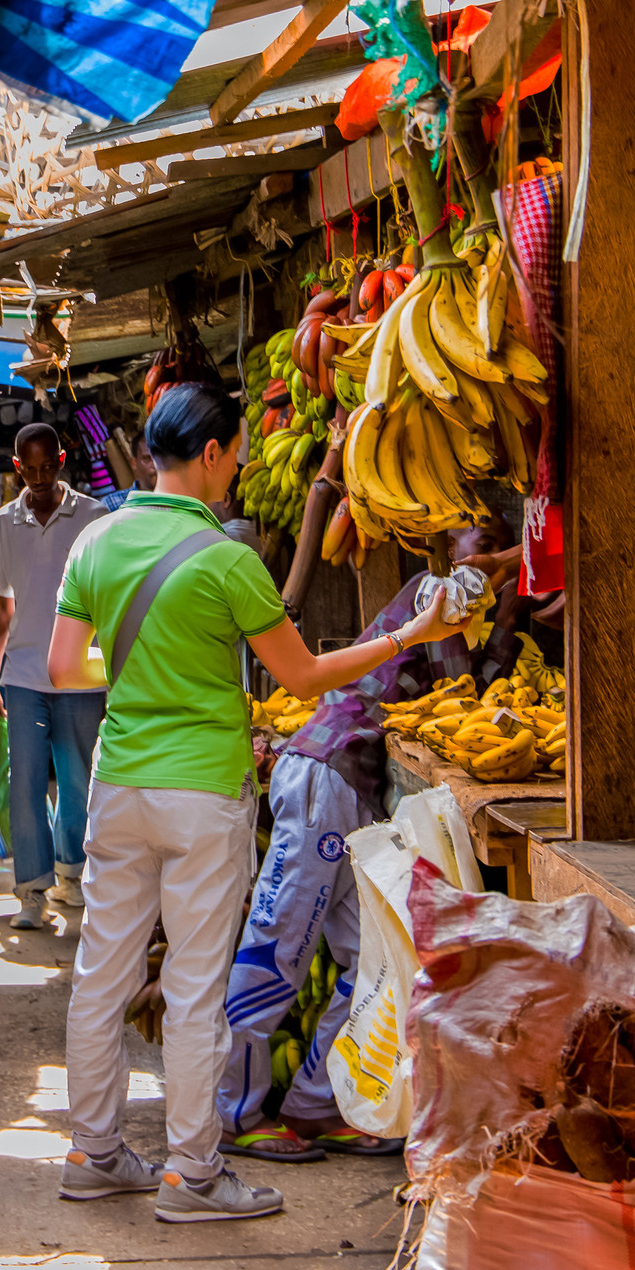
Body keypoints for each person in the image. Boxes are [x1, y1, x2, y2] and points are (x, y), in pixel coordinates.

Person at [43, 383, 467, 1224]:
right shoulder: (228, 561)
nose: (238, 468)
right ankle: (193, 1176)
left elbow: (64, 671)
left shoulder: (94, 542)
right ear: (208, 455)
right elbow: (303, 676)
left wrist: (140, 686)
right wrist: (405, 639)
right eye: (235, 453)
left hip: (118, 786)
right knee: (197, 987)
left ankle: (94, 1155)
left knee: (100, 975)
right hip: (202, 796)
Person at [216, 517, 508, 1165]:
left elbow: (475, 686)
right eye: (478, 545)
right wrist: (516, 566)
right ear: (448, 554)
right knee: (279, 946)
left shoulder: (445, 619)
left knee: (369, 959)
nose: (485, 561)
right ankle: (230, 1110)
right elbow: (471, 682)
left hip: (347, 790)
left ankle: (319, 1102)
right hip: (326, 777)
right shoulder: (437, 594)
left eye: (494, 544)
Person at [0, 422, 106, 931]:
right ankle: (31, 892)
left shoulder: (94, 517)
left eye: (46, 466)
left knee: (78, 781)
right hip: (25, 676)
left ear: (61, 458)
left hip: (81, 675)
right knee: (26, 782)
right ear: (17, 468)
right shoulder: (5, 524)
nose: (38, 477)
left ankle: (71, 875)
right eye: (28, 469)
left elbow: (109, 598)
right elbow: (0, 606)